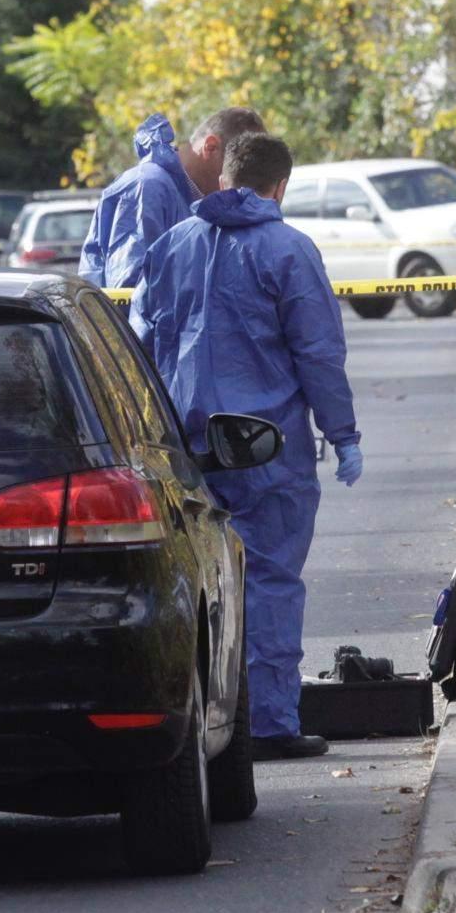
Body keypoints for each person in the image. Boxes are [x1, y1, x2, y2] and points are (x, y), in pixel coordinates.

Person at [135, 132, 361, 760]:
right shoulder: (288, 250)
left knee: (195, 586)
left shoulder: (174, 245)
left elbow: (146, 347)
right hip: (266, 451)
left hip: (188, 449)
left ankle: (203, 720)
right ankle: (268, 724)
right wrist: (342, 434)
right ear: (280, 185)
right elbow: (317, 353)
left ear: (224, 175)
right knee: (269, 582)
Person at [81, 106, 267, 290]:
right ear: (210, 147)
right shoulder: (148, 187)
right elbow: (129, 292)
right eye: (240, 169)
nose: (244, 186)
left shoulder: (192, 199)